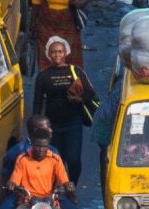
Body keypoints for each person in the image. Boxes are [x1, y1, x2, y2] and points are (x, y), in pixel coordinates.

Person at [32, 36, 94, 185]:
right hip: (52, 125)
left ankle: (71, 186)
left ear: (66, 52)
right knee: (56, 160)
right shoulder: (43, 76)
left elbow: (90, 93)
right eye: (53, 52)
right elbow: (37, 102)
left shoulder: (75, 71)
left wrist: (80, 100)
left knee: (73, 160)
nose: (57, 55)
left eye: (60, 52)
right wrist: (35, 126)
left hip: (73, 123)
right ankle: (56, 190)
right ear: (49, 54)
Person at [2, 131, 75, 209]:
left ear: (48, 145)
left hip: (50, 200)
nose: (41, 149)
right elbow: (15, 178)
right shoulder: (23, 159)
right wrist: (12, 184)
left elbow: (63, 179)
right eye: (38, 146)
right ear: (32, 144)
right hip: (27, 200)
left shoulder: (55, 159)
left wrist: (68, 185)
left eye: (45, 146)